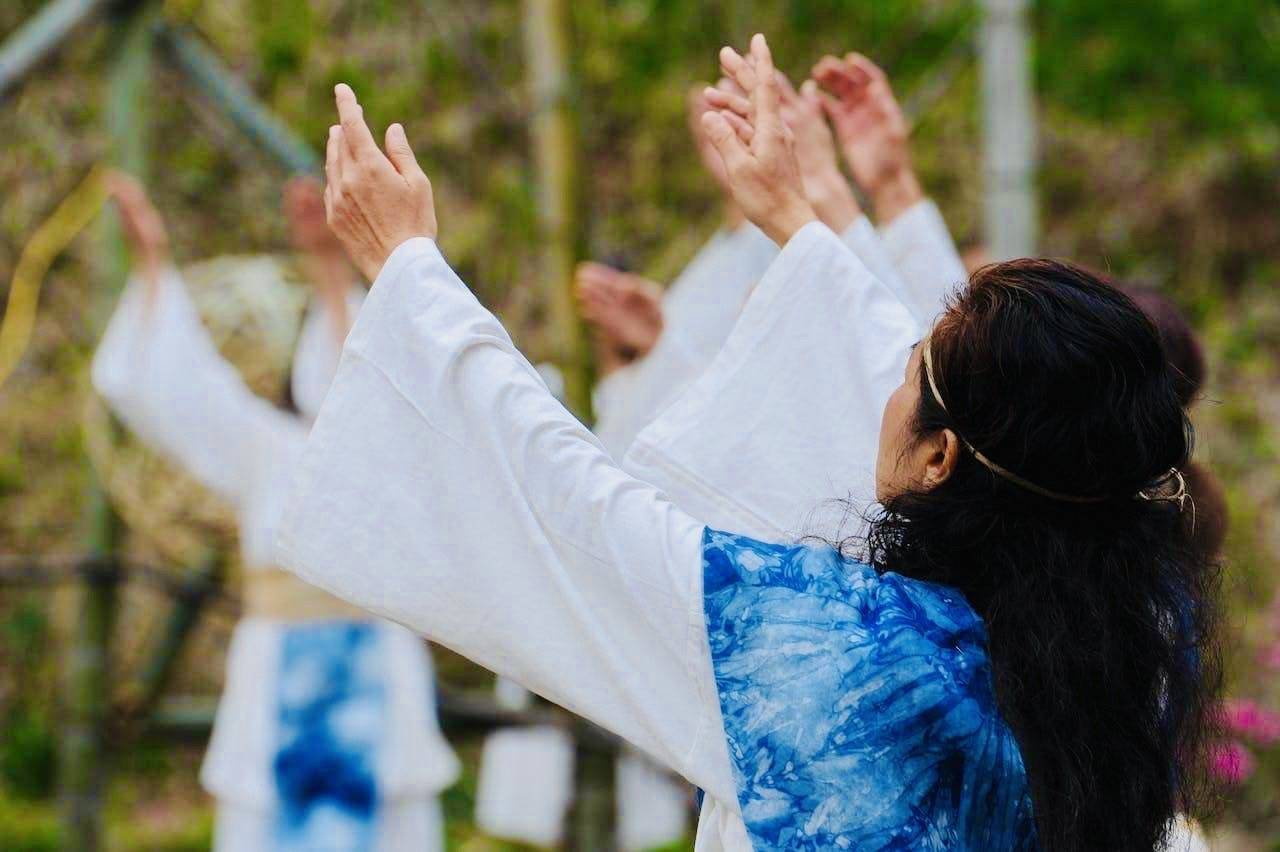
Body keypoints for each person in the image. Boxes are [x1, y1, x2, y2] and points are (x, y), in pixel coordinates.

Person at [279, 34, 1220, 851]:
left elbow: (579, 517)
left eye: (909, 369)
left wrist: (410, 277)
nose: (885, 382)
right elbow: (954, 399)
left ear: (939, 459)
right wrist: (794, 215)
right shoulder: (1123, 648)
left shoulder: (831, 650)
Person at [92, 174, 458, 852]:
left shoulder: (396, 446)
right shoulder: (263, 446)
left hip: (376, 660)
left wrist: (335, 262)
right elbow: (181, 390)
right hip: (276, 663)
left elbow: (376, 368)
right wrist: (154, 263)